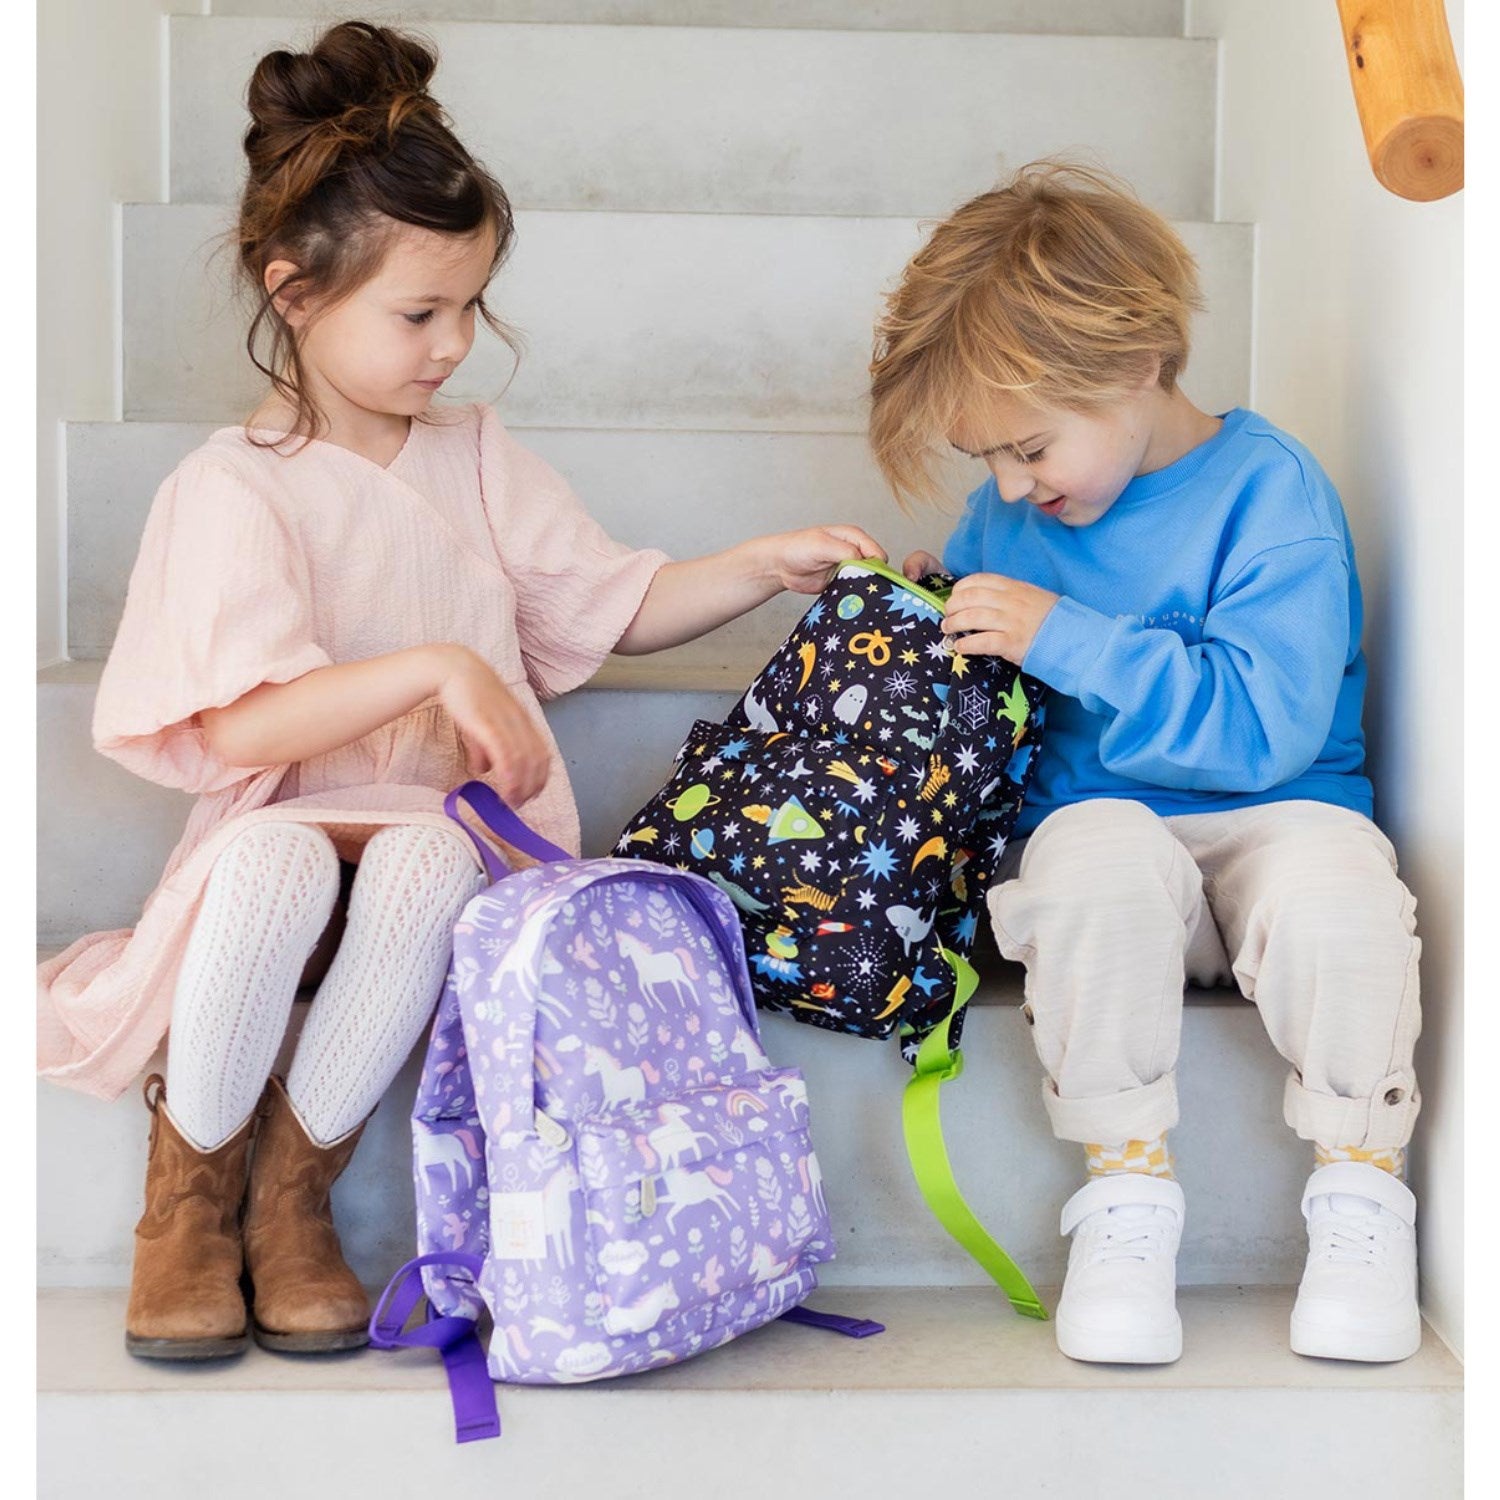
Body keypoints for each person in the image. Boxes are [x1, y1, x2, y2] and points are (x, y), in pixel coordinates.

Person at [36, 20, 884, 1361]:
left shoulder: (478, 458)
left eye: (472, 308)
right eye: (418, 314)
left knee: (432, 856)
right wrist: (437, 665)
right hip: (285, 842)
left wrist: (759, 566)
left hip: (442, 850)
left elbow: (607, 607)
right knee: (272, 863)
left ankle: (294, 1200)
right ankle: (187, 1197)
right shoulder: (233, 487)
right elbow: (241, 727)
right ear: (294, 293)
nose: (454, 344)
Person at [869, 161, 1422, 1365]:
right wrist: (939, 609)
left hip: (1278, 812)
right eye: (988, 459)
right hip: (1105, 828)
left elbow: (1263, 729)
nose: (1011, 487)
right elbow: (1000, 691)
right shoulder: (1009, 517)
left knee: (1344, 898)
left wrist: (1064, 635)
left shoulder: (1270, 492)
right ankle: (1125, 1192)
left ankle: (1362, 1189)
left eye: (1028, 447)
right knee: (1085, 867)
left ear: (1137, 367)